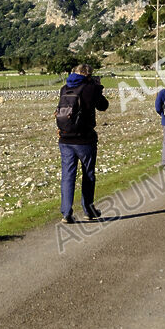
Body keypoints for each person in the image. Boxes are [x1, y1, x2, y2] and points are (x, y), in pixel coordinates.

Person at [55, 63, 109, 224]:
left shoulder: (64, 88)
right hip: (84, 139)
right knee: (88, 174)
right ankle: (88, 210)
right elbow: (103, 106)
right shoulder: (90, 88)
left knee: (67, 176)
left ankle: (66, 212)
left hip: (65, 138)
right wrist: (98, 87)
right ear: (88, 75)